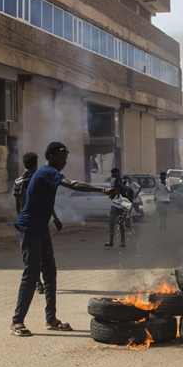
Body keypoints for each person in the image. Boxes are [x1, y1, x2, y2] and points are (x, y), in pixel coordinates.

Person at [10, 142, 110, 336]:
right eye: (62, 158)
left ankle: (51, 319)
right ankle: (17, 322)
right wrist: (103, 190)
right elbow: (72, 184)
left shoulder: (46, 174)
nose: (65, 162)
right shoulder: (47, 171)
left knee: (50, 274)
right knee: (31, 275)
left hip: (41, 229)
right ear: (52, 156)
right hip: (29, 229)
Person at [13, 152, 63, 293]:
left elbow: (17, 205)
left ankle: (38, 282)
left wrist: (21, 222)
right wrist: (56, 219)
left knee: (29, 257)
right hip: (39, 221)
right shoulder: (41, 178)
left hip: (25, 223)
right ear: (36, 163)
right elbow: (47, 203)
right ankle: (42, 283)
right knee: (42, 255)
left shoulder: (18, 182)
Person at [106, 168, 131, 247]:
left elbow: (127, 190)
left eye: (115, 175)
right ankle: (111, 241)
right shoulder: (112, 182)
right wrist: (113, 186)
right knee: (111, 222)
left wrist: (120, 184)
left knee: (121, 224)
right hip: (114, 205)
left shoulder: (125, 182)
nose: (113, 177)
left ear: (118, 175)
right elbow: (111, 192)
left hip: (122, 205)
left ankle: (123, 240)